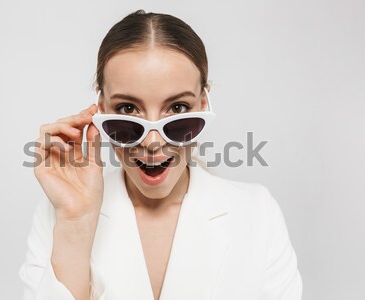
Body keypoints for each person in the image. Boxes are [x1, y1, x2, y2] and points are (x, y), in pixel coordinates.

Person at [19, 9, 302, 300]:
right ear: (99, 108)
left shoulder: (257, 213)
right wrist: (76, 224)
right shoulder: (60, 213)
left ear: (203, 104)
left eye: (177, 108)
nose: (153, 141)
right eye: (128, 109)